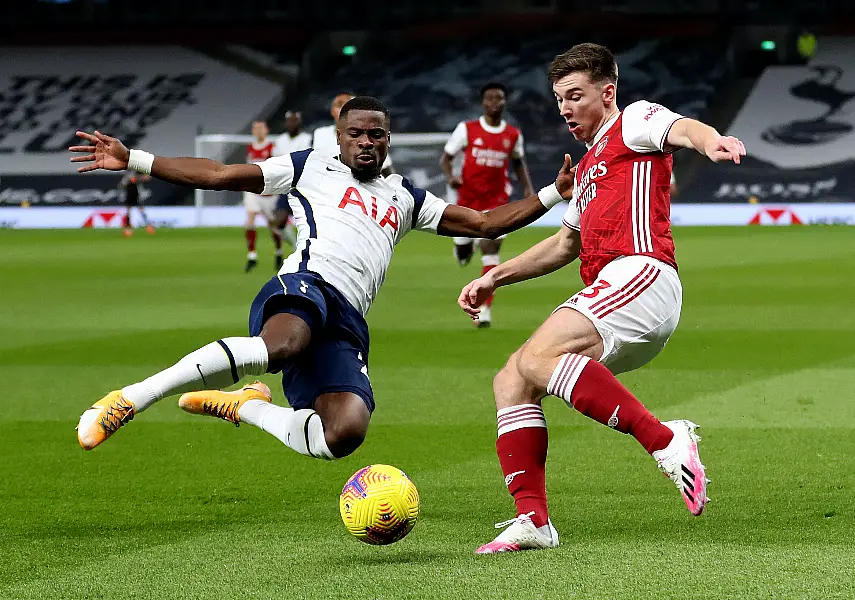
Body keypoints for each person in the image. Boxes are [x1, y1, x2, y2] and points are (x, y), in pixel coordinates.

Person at [69, 96, 574, 464]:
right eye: (356, 133)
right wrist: (134, 159)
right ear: (340, 137)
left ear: (388, 140)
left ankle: (247, 408)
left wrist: (554, 192)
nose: (366, 142)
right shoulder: (308, 167)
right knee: (284, 344)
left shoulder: (406, 197)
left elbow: (485, 223)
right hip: (305, 284)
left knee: (345, 432)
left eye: (376, 134)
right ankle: (135, 397)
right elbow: (220, 175)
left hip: (348, 318)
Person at [458, 43, 746, 553]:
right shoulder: (588, 166)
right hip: (611, 293)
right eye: (558, 99)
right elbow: (564, 245)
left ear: (607, 92)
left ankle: (666, 439)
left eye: (575, 95)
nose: (565, 108)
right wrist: (494, 277)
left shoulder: (632, 121)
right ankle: (534, 520)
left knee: (538, 356)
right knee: (512, 378)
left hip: (643, 274)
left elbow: (683, 129)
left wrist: (712, 141)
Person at [441, 82, 534, 327]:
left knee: (491, 250)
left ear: (504, 102)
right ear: (483, 103)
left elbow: (518, 163)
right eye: (490, 98)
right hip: (467, 201)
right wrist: (451, 177)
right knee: (463, 253)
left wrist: (528, 188)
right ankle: (463, 249)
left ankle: (484, 309)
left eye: (499, 98)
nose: (494, 103)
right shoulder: (467, 129)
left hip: (496, 202)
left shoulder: (513, 135)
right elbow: (446, 157)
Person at [313, 93, 395, 176]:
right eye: (354, 134)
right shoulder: (319, 134)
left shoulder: (373, 142)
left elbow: (387, 171)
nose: (365, 142)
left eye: (348, 104)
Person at [243, 120, 288, 273]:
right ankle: (252, 255)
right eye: (255, 128)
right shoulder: (250, 148)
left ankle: (279, 252)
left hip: (269, 193)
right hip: (253, 191)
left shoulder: (272, 148)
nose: (258, 131)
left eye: (260, 128)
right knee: (249, 219)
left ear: (266, 130)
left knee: (273, 226)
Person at [273, 111, 312, 253]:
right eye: (289, 121)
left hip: (304, 186)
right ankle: (297, 246)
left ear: (299, 123)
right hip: (286, 186)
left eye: (294, 121)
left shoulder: (308, 139)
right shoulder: (280, 140)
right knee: (279, 222)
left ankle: (309, 249)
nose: (291, 124)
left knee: (309, 223)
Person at [118, 171, 154, 236]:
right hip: (129, 195)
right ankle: (128, 228)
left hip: (136, 195)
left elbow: (147, 178)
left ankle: (148, 226)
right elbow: (121, 184)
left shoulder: (138, 174)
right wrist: (129, 181)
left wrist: (138, 178)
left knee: (141, 210)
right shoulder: (128, 175)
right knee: (128, 212)